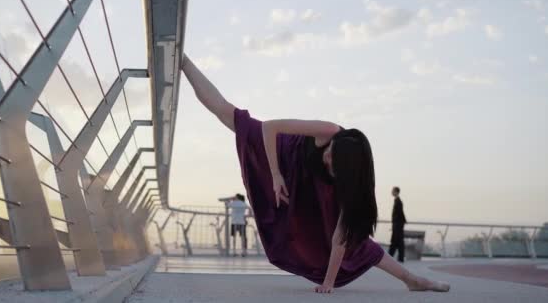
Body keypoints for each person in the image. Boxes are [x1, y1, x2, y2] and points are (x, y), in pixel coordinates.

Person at [181, 54, 449, 294]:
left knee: (358, 242)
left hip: (313, 184)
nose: (327, 158)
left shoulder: (349, 184)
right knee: (228, 113)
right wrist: (276, 175)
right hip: (286, 155)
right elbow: (270, 128)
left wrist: (328, 283)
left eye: (333, 163)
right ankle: (183, 61)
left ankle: (412, 280)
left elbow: (340, 238)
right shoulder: (329, 130)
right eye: (330, 153)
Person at [388, 186, 406, 262]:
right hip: (397, 224)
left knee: (397, 241)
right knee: (396, 241)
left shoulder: (398, 201)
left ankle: (391, 257)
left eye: (392, 191)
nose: (391, 192)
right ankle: (392, 257)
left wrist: (397, 224)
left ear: (396, 192)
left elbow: (399, 214)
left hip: (398, 224)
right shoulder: (397, 201)